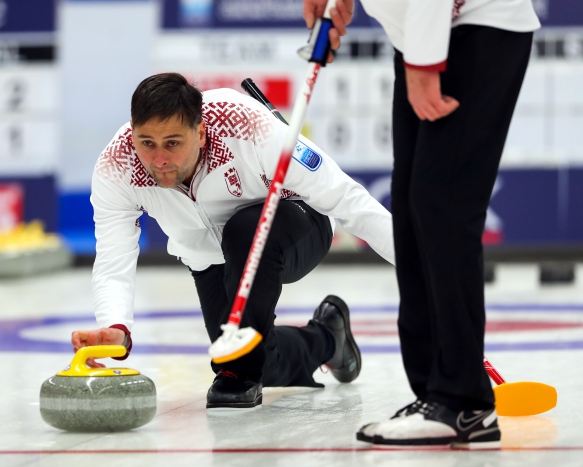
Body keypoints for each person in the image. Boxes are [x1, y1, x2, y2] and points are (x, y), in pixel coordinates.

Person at [71, 72, 395, 409]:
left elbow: (347, 198)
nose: (159, 160)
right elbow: (113, 258)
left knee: (243, 237)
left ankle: (241, 371)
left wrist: (421, 269)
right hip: (210, 257)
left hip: (299, 224)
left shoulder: (248, 126)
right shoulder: (117, 165)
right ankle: (328, 339)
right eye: (147, 143)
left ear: (200, 132)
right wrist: (115, 328)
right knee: (257, 360)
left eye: (172, 143)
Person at [304, 0, 540, 449]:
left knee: (442, 206)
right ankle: (436, 395)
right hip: (422, 37)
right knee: (416, 210)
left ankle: (461, 401)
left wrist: (425, 61)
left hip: (468, 28)